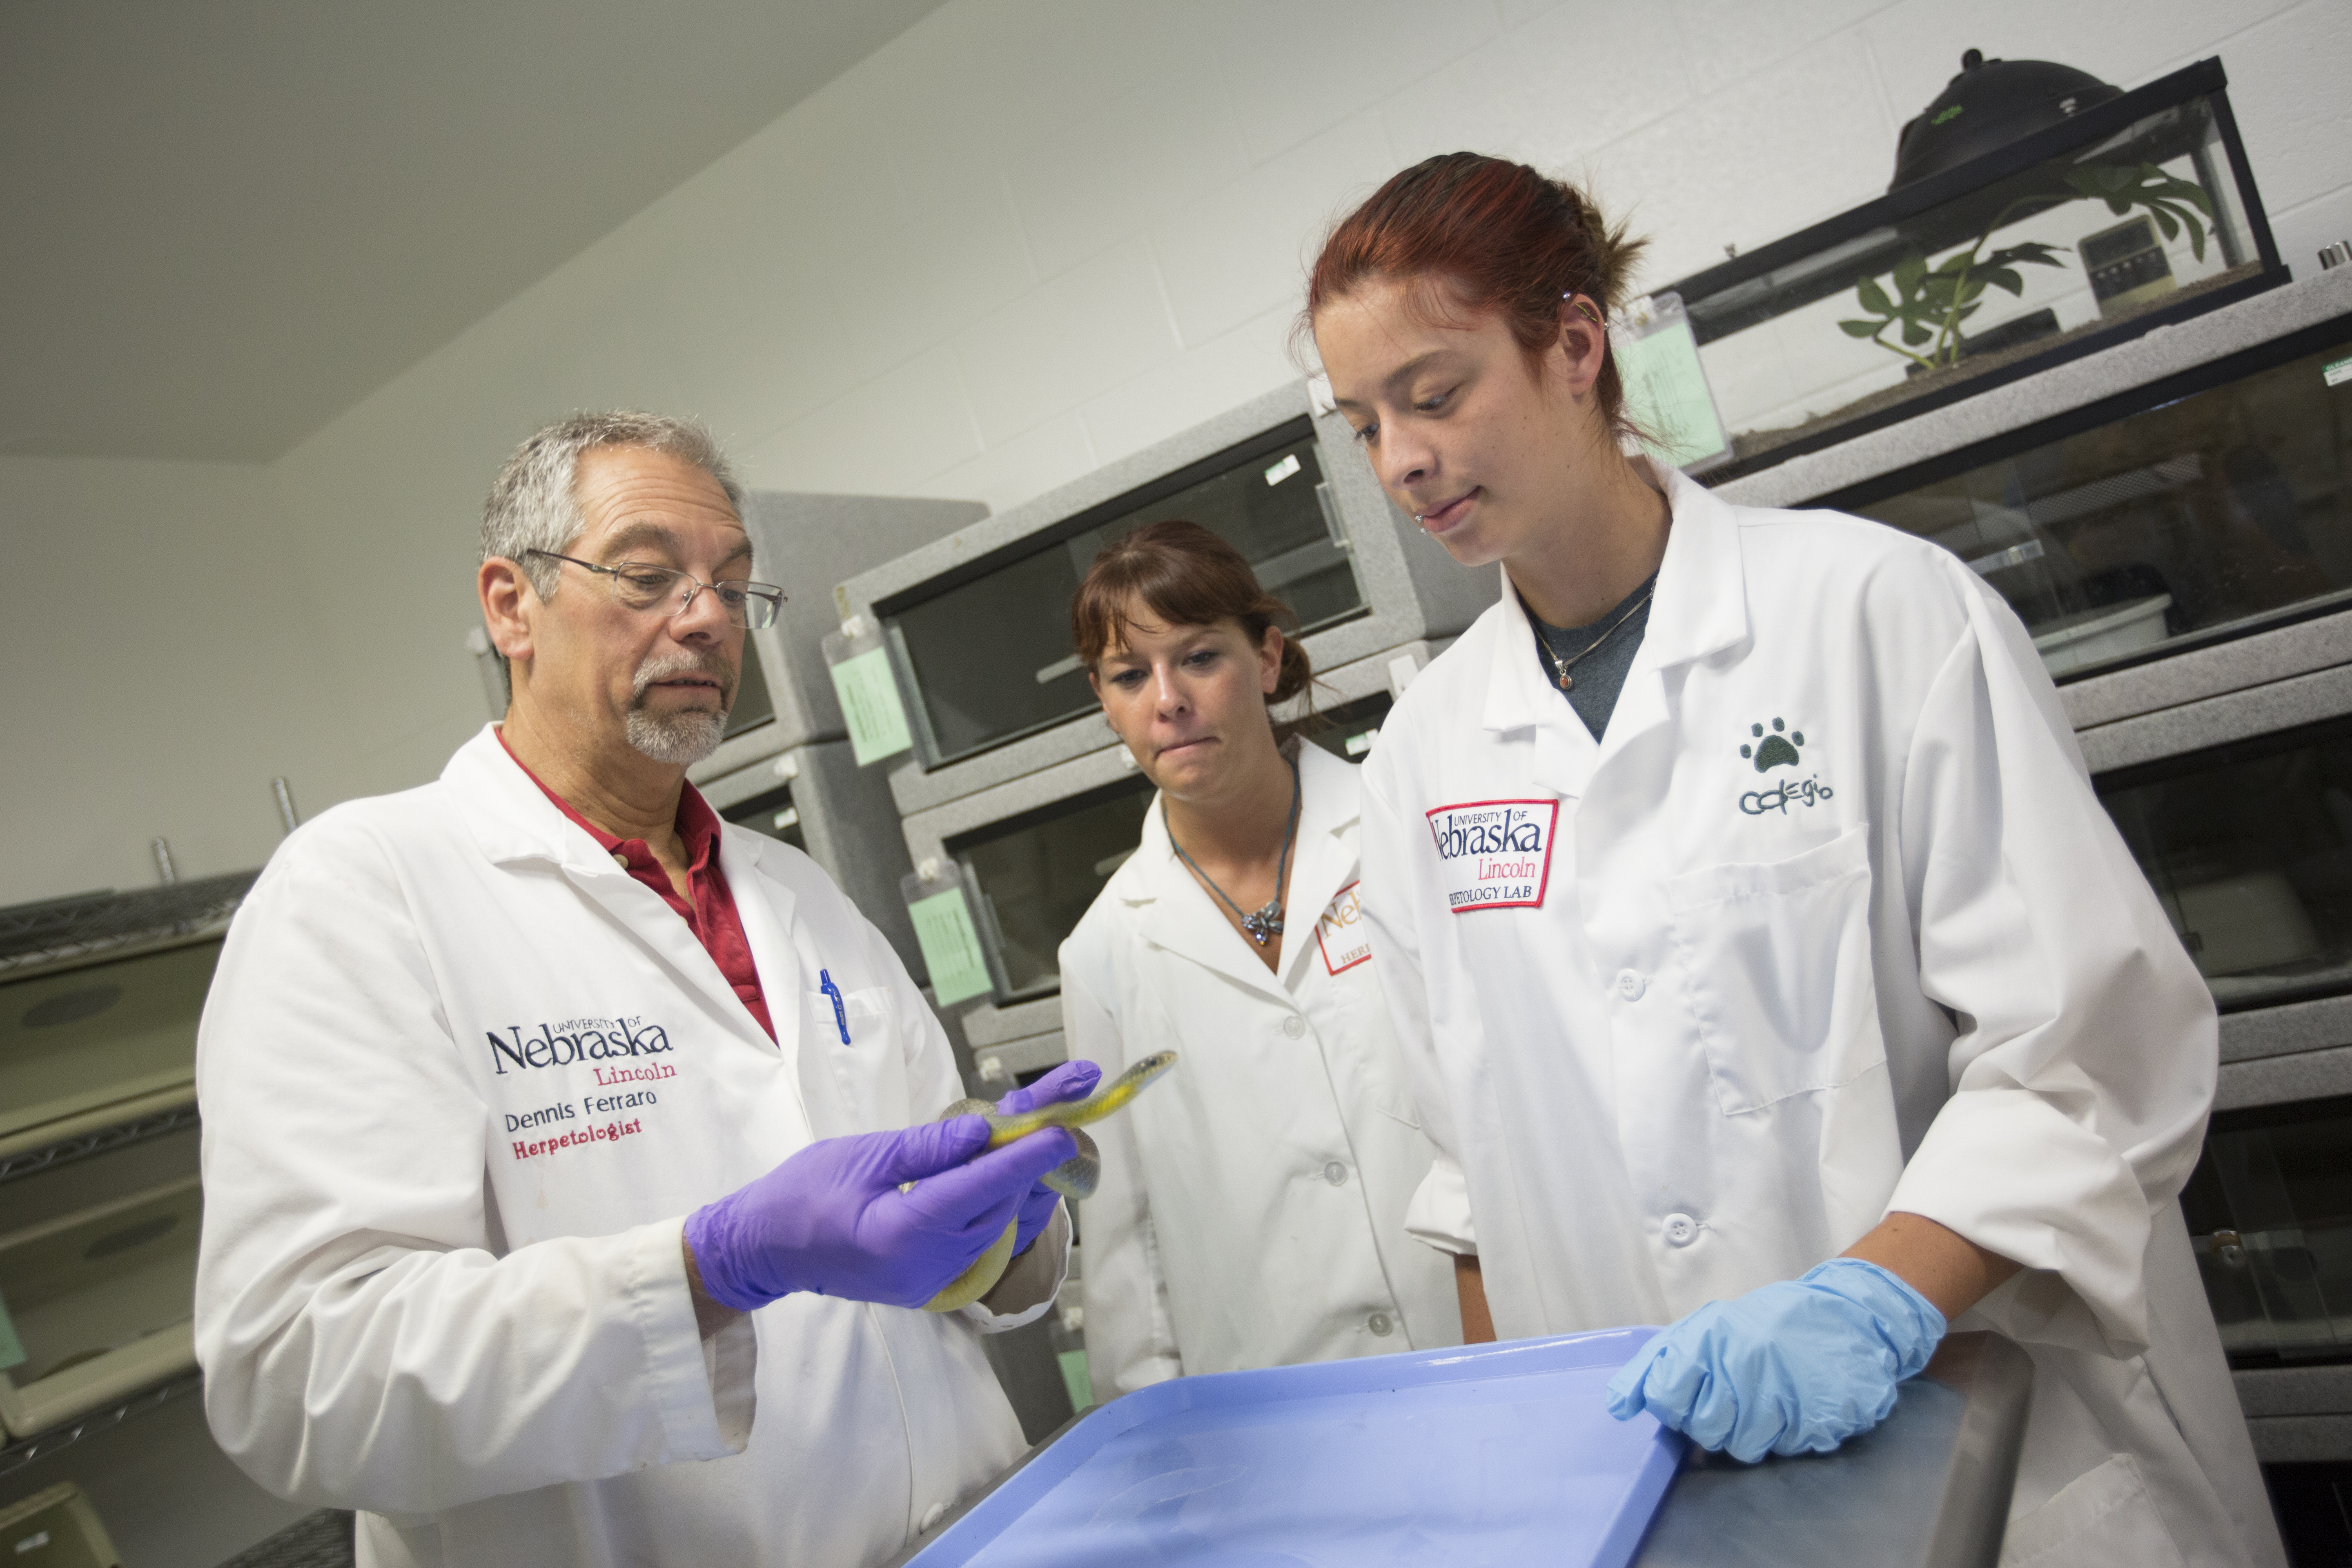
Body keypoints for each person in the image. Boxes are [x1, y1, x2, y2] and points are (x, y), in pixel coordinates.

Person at [1306, 154, 2283, 1566]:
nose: (1401, 459)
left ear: (1576, 346)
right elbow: (1467, 1183)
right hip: (1656, 1491)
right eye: (1363, 424)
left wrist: (1871, 1304)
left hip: (1985, 1439)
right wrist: (1517, 1475)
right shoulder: (1424, 761)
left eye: (1436, 393)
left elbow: (2084, 1052)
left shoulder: (1877, 613)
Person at [193, 411, 1096, 1568]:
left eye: (734, 584)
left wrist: (1005, 1232)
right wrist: (708, 1270)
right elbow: (298, 1381)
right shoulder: (364, 893)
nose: (710, 616)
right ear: (511, 605)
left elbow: (944, 1274)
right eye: (648, 574)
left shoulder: (798, 893)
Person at [1060, 521, 1460, 1398]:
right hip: (1275, 1408)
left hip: (1482, 1340)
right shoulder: (1104, 948)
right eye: (1131, 676)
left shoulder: (1404, 837)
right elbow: (1127, 1242)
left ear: (1269, 660)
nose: (1167, 700)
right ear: (1106, 701)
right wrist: (1165, 1451)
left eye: (1200, 657)